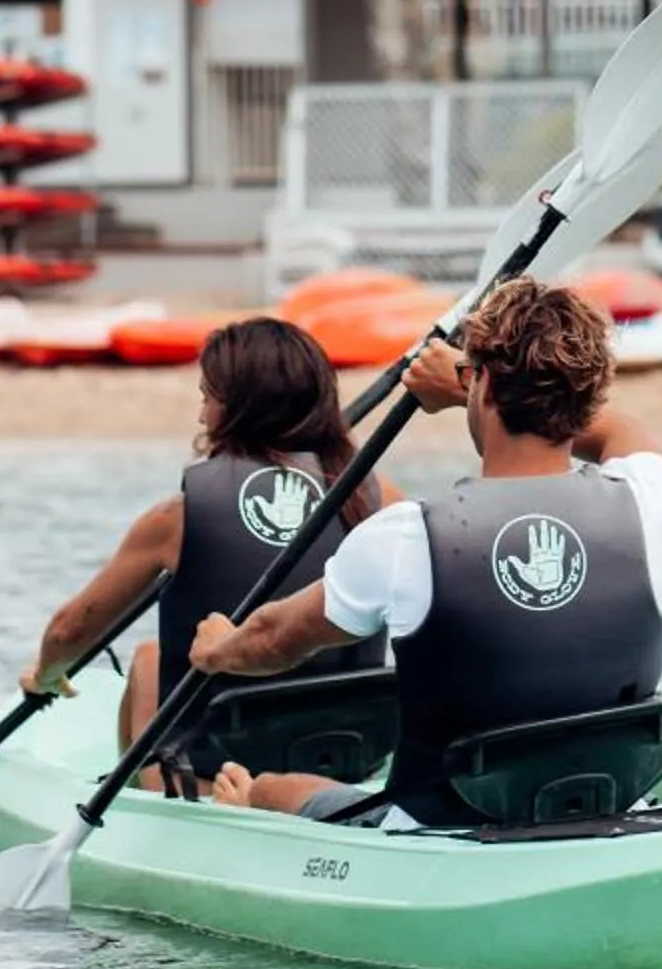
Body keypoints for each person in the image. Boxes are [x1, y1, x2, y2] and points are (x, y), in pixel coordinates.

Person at [192, 278, 662, 830]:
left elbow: (277, 639)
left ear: (484, 382)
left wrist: (219, 650)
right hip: (610, 807)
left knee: (276, 788)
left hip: (440, 829)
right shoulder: (648, 501)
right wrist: (473, 382)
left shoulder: (410, 535)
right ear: (586, 392)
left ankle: (241, 813)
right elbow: (625, 428)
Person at [20, 316, 399, 790]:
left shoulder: (175, 521)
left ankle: (138, 810)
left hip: (205, 779)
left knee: (148, 659)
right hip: (345, 766)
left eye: (207, 398)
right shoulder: (382, 502)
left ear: (239, 408)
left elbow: (69, 629)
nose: (202, 416)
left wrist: (47, 673)